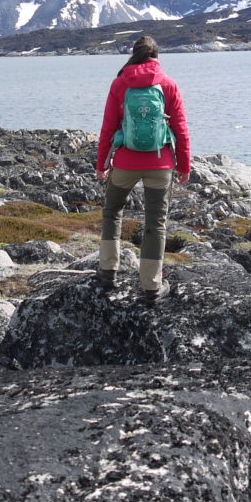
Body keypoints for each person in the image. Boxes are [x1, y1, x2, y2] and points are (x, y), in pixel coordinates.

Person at [95, 35, 191, 302]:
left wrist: (102, 164)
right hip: (160, 164)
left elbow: (108, 127)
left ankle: (107, 271)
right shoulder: (169, 84)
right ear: (157, 58)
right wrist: (184, 165)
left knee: (113, 212)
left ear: (134, 55)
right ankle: (151, 286)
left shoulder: (120, 83)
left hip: (124, 162)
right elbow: (181, 130)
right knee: (156, 224)